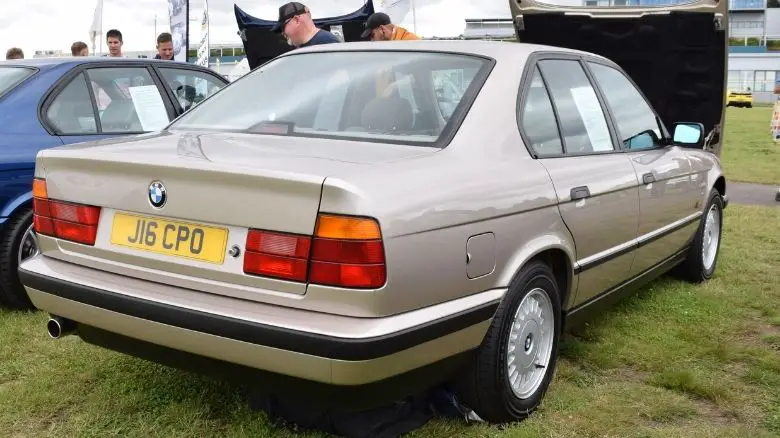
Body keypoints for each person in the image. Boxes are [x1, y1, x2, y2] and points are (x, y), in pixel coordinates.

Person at [271, 2, 340, 48]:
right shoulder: (302, 47)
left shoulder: (327, 43)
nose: (282, 33)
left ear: (296, 20)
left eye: (283, 27)